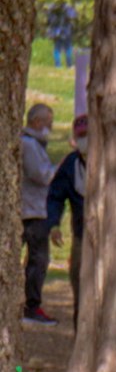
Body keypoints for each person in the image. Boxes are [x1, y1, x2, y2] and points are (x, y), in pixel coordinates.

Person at [14, 102, 51, 320]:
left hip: (33, 208)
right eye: (48, 123)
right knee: (38, 260)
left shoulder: (34, 144)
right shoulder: (29, 144)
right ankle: (32, 305)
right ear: (36, 122)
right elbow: (41, 174)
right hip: (32, 211)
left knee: (36, 260)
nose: (50, 128)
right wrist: (58, 169)